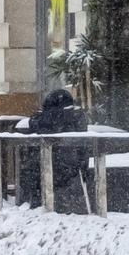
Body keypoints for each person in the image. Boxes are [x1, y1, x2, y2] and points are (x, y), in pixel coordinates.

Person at [32, 85, 89, 214]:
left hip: (52, 162)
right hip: (72, 163)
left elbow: (35, 124)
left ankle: (49, 207)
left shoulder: (44, 119)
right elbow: (83, 143)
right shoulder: (77, 116)